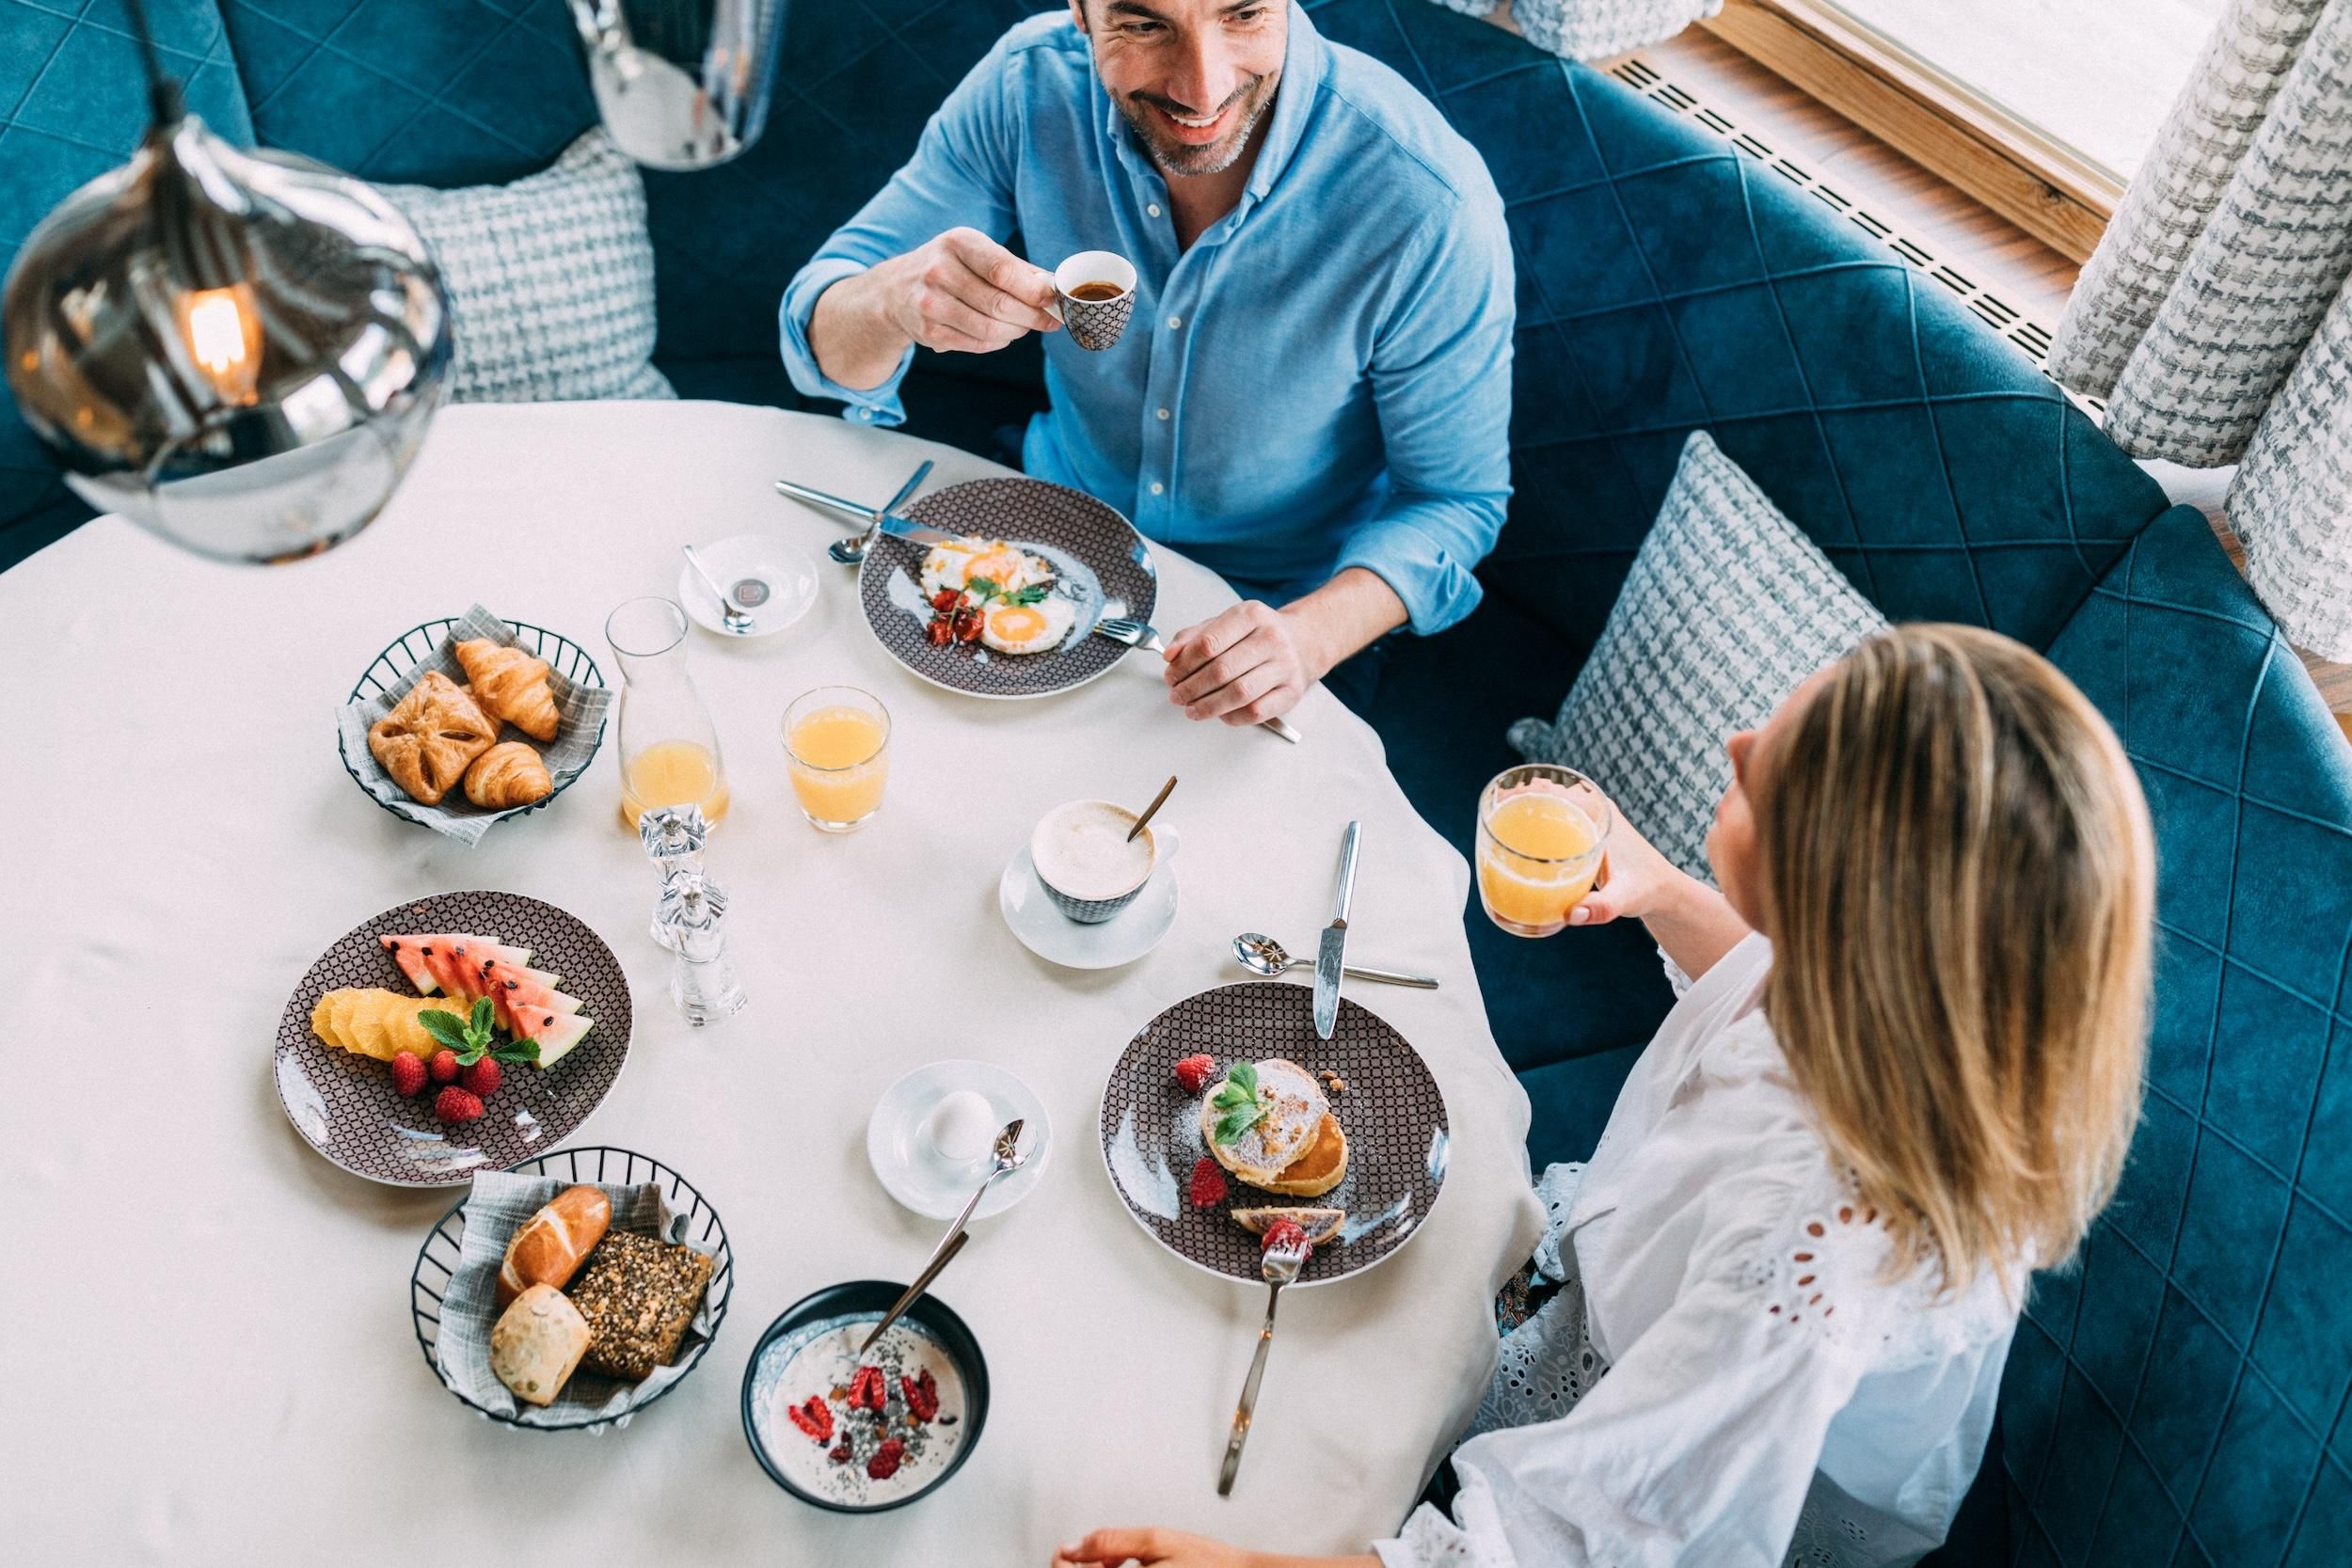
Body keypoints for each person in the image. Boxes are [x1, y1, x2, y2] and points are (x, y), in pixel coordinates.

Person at [1050, 624, 2155, 1568]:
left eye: (1770, 777)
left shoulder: (1809, 1252)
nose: (1738, 741)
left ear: (1838, 906)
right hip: (1633, 1300)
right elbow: (1759, 979)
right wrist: (1661, 890)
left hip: (1715, 1458)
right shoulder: (1898, 999)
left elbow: (1604, 1533)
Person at [778, 1, 1513, 724]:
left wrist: (1309, 636)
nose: (1203, 91)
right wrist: (889, 302)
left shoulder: (1428, 203)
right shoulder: (1026, 87)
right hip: (1039, 546)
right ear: (1080, 11)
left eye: (1245, 15)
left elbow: (1455, 501)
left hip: (1273, 613)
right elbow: (816, 334)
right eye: (1144, 24)